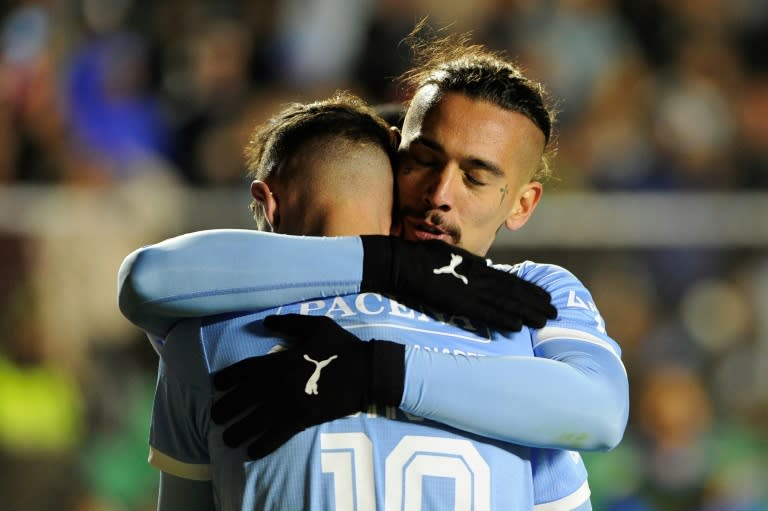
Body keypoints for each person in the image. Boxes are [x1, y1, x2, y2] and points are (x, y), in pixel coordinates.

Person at [119, 31, 628, 510]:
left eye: (474, 178)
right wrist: (387, 265)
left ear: (522, 204)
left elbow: (603, 411)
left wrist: (379, 372)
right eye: (423, 160)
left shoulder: (534, 299)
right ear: (392, 150)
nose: (438, 196)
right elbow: (145, 280)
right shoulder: (527, 369)